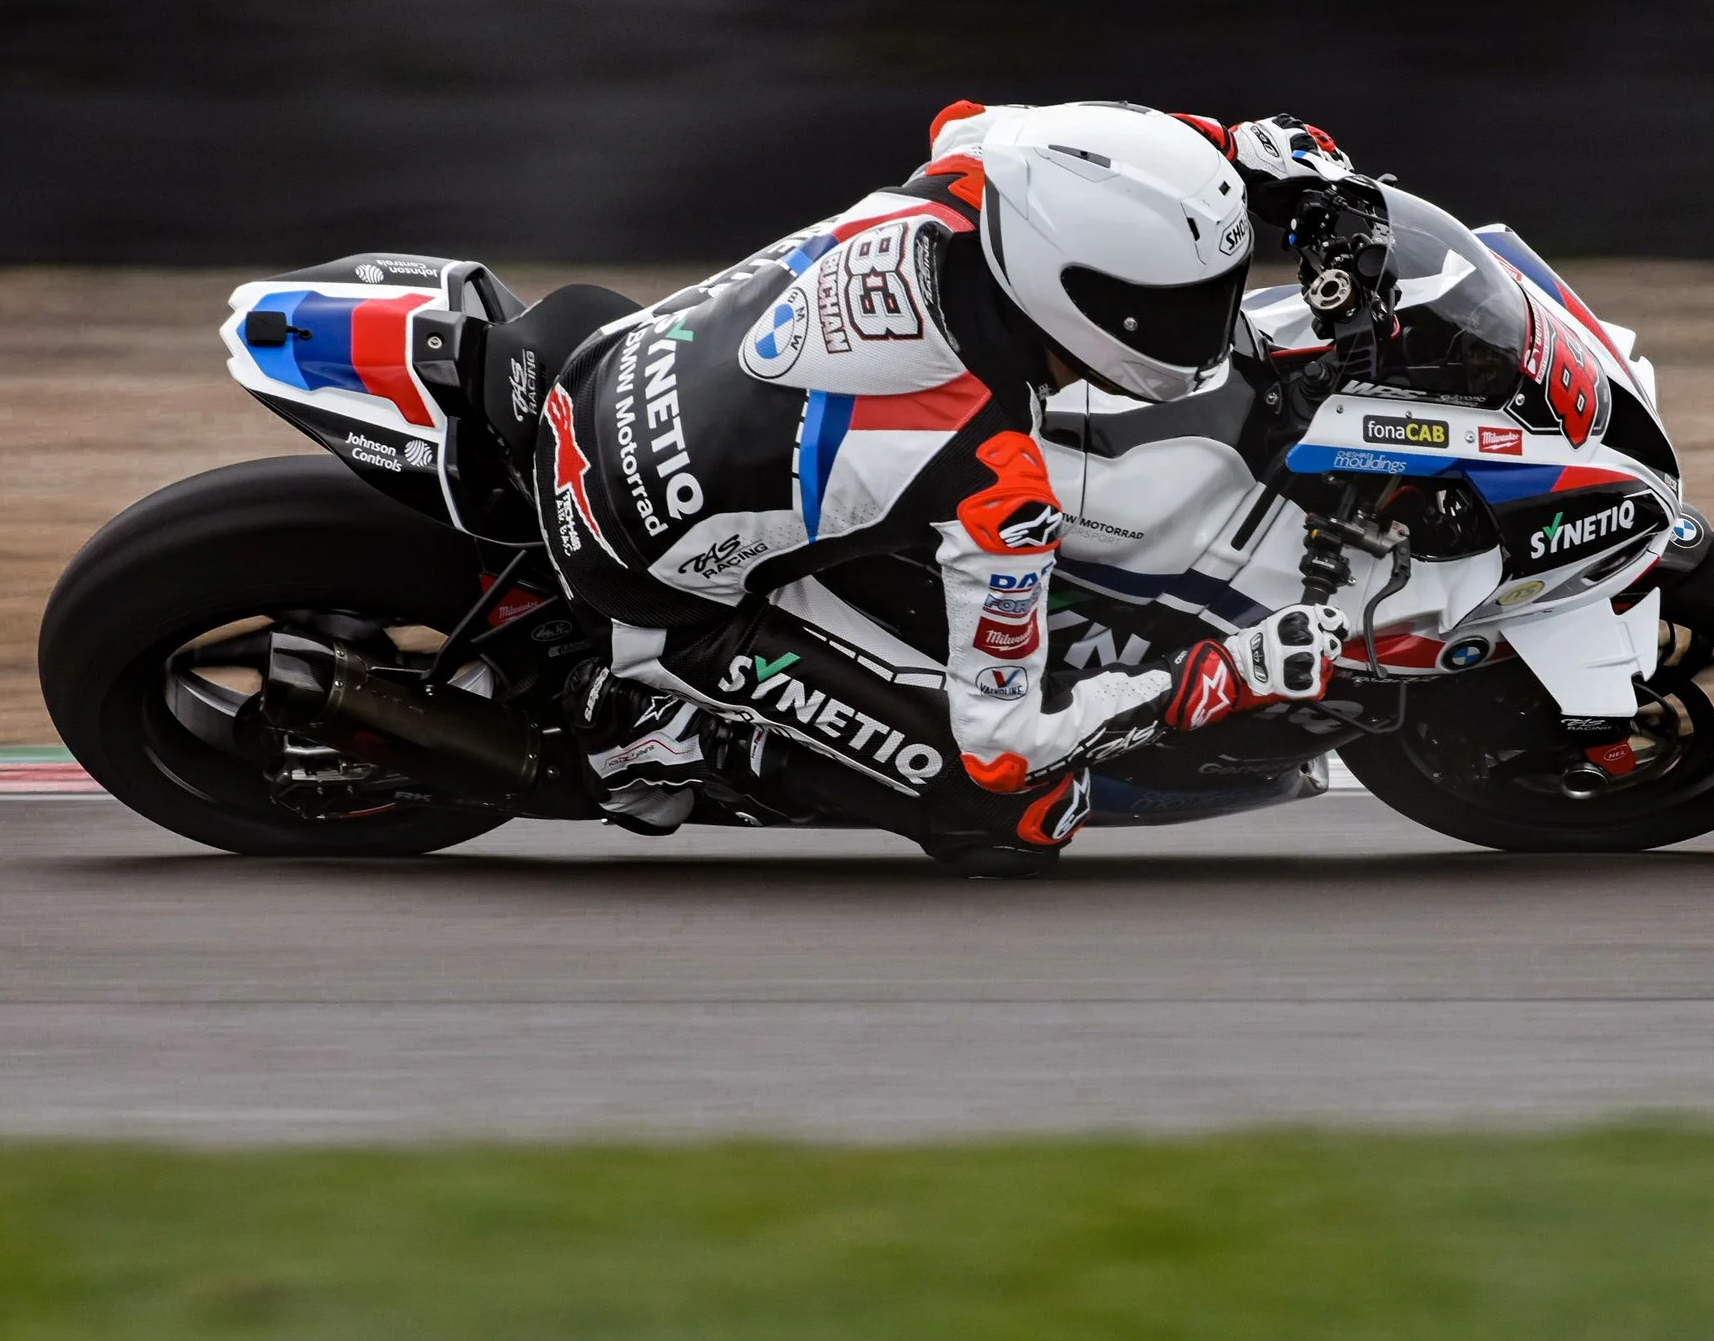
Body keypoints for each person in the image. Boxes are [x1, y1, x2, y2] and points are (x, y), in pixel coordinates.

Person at [534, 99, 1356, 875]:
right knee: (1022, 813)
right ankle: (654, 726)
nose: (1211, 322)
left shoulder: (974, 168)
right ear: (1075, 291)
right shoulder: (998, 482)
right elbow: (1005, 750)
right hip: (647, 583)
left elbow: (1044, 137)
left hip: (605, 367)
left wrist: (1231, 151)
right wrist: (1214, 677)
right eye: (1178, 306)